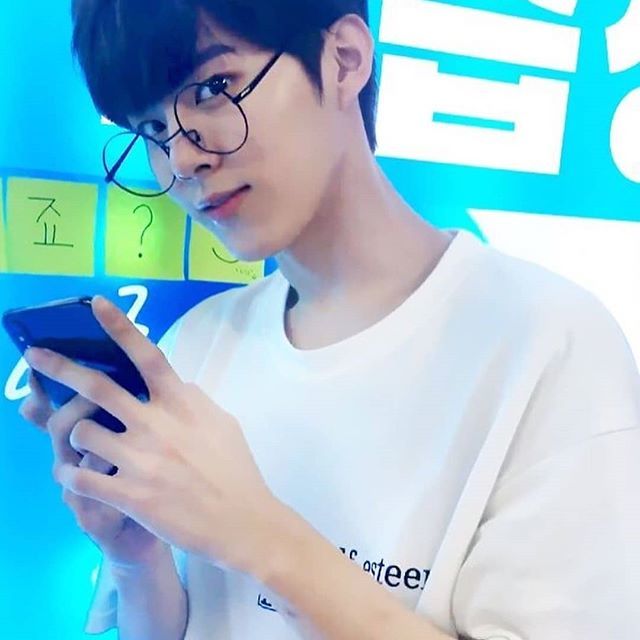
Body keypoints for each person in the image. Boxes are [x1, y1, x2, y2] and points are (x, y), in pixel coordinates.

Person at [20, 0, 640, 638]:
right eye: (152, 129)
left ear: (344, 60)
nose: (182, 160)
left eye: (212, 89)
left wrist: (260, 536)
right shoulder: (197, 344)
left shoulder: (549, 344)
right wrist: (136, 554)